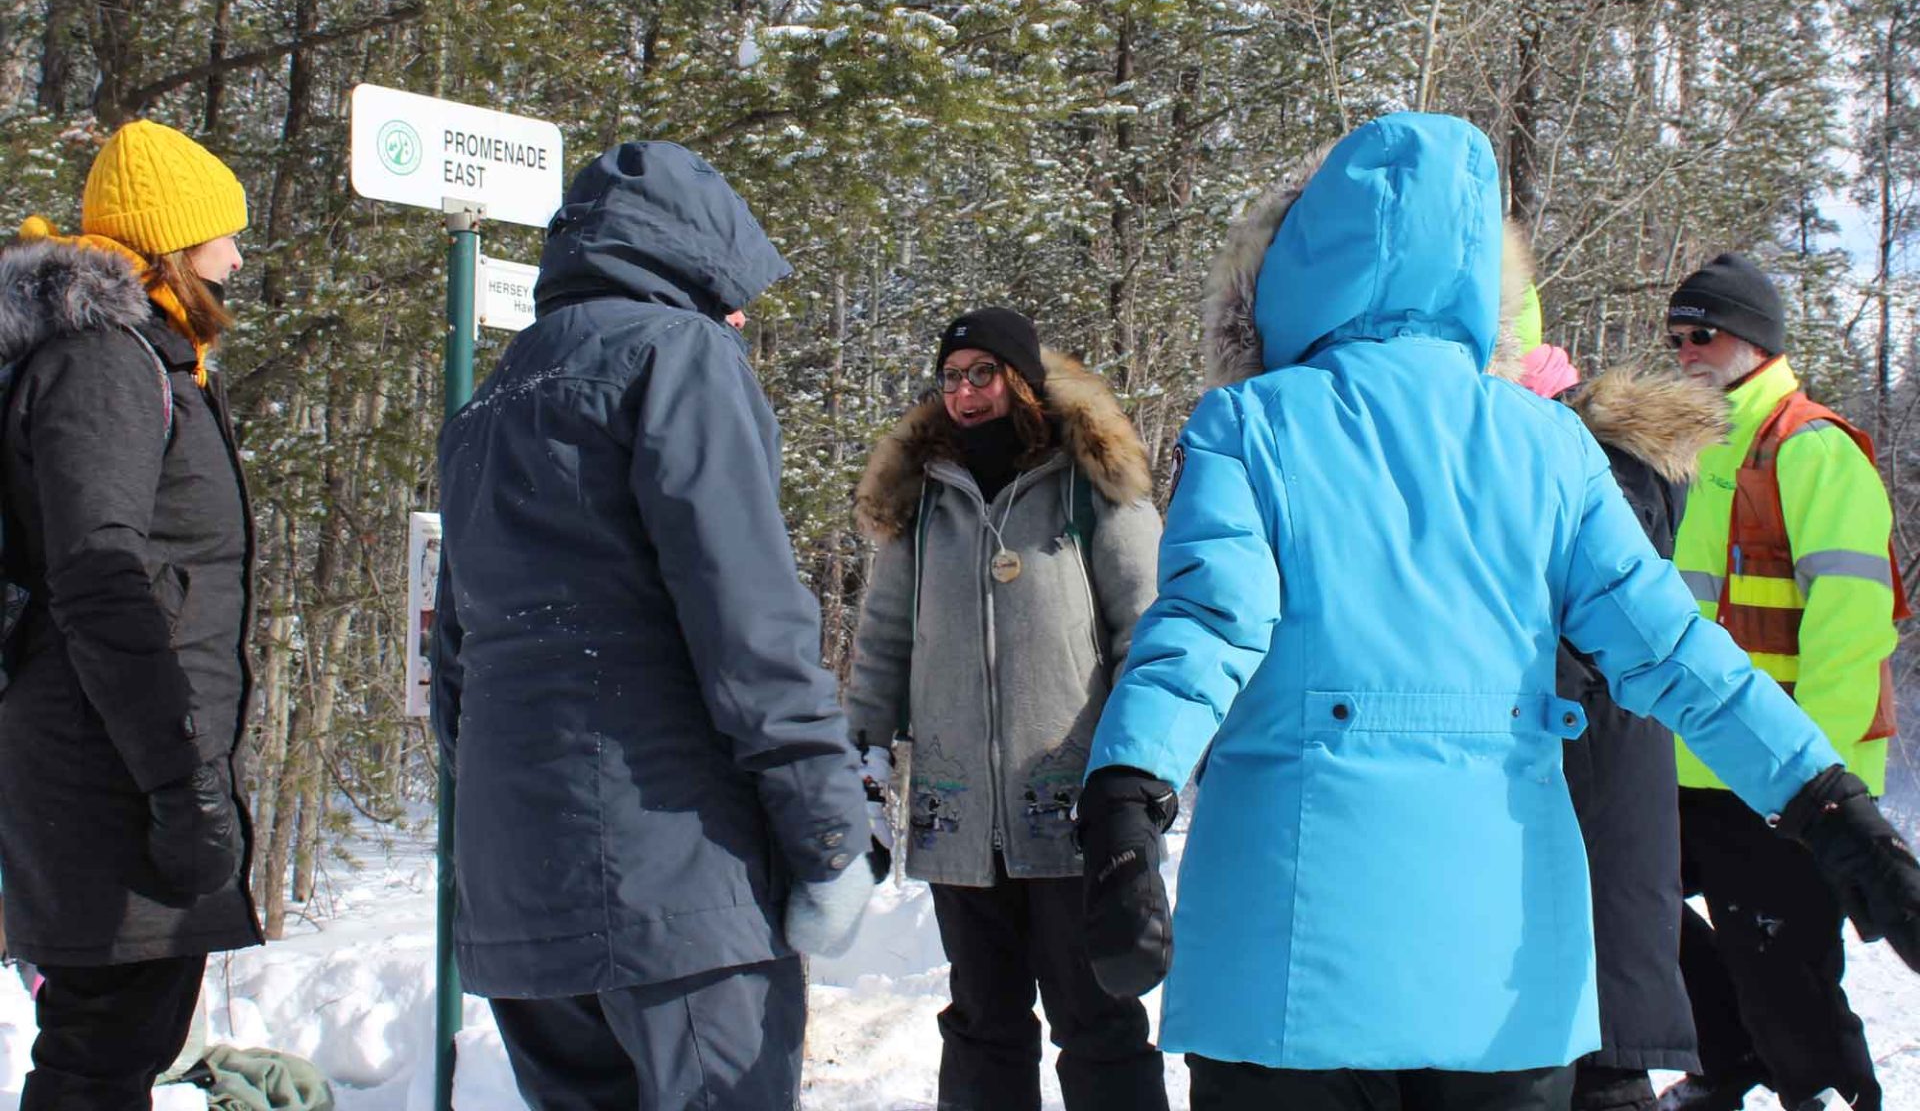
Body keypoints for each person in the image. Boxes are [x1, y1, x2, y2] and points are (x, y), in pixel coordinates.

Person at [1070, 112, 1920, 1111]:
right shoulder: (1550, 446)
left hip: (1286, 954)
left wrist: (1124, 799)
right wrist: (1830, 805)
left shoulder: (1250, 424)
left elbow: (1205, 629)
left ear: (1294, 266)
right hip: (1504, 963)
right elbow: (1675, 651)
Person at [433, 139, 874, 1111]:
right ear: (690, 266)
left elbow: (456, 665)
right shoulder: (679, 355)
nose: (740, 315)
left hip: (520, 893)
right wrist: (829, 832)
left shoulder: (488, 402)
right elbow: (750, 623)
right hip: (674, 883)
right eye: (731, 290)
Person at [846, 307, 1168, 1111]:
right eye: (952, 378)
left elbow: (1147, 632)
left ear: (1020, 378)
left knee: (1098, 1024)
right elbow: (883, 645)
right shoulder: (923, 499)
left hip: (1073, 812)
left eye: (983, 373)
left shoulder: (1088, 484)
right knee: (982, 1028)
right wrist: (863, 762)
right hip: (956, 814)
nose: (965, 393)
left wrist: (1138, 777)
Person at [0, 120, 260, 1108]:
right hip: (106, 769)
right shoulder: (107, 365)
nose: (236, 259)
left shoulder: (149, 360)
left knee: (117, 1049)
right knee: (100, 1056)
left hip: (120, 758)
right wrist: (179, 778)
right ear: (174, 245)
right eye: (224, 236)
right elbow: (100, 579)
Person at [1657, 254, 1906, 1111]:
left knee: (1785, 974)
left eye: (1703, 333)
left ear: (1755, 340)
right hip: (1691, 759)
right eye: (1675, 337)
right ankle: (1726, 1061)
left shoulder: (1810, 448)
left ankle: (1832, 1096)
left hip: (1782, 770)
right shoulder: (1692, 450)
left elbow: (1852, 632)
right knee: (1623, 908)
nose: (1685, 351)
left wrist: (1811, 785)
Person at [1500, 277, 1729, 1111]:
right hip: (1573, 855)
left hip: (1592, 858)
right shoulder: (1549, 455)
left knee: (1602, 1080)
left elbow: (1568, 650)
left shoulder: (1596, 467)